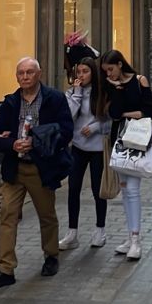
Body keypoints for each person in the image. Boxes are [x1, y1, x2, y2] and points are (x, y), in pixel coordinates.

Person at [0, 57, 73, 289]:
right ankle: (5, 268)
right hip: (15, 168)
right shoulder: (11, 102)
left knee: (46, 214)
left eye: (29, 72)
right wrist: (12, 143)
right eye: (21, 73)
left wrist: (37, 141)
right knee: (7, 215)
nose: (25, 77)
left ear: (39, 74)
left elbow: (65, 131)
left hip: (41, 167)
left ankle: (51, 255)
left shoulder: (54, 99)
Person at [99, 50, 152, 260]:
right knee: (125, 189)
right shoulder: (110, 85)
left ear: (120, 65)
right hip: (119, 139)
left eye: (112, 69)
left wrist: (123, 111)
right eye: (106, 71)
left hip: (138, 138)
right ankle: (131, 236)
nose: (110, 74)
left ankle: (135, 239)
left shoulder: (140, 80)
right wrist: (116, 90)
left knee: (132, 189)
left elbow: (150, 110)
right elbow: (113, 113)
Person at [59, 57, 106, 250]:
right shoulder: (72, 93)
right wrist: (77, 94)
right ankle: (72, 232)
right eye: (78, 72)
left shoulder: (103, 93)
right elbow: (67, 115)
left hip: (97, 148)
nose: (81, 75)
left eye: (85, 71)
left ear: (93, 73)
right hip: (77, 147)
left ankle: (100, 230)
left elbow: (111, 120)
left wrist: (95, 127)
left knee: (97, 190)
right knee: (73, 189)